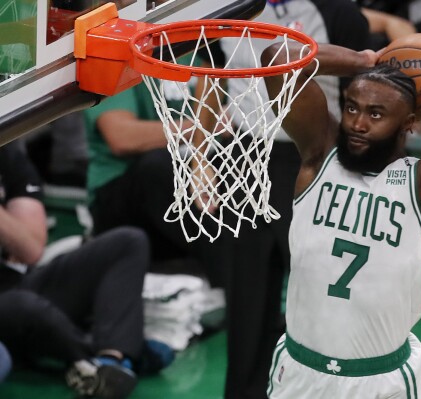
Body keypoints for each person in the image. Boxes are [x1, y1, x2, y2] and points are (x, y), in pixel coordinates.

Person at [260, 38, 421, 396]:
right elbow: (279, 58)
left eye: (376, 114)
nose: (357, 123)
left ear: (409, 122)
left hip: (379, 381)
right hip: (299, 371)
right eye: (351, 108)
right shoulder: (320, 156)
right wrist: (365, 61)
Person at [213, 1, 371, 398]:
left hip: (314, 158)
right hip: (243, 155)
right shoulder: (221, 8)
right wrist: (201, 157)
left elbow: (362, 97)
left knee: (320, 295)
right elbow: (208, 82)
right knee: (247, 299)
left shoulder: (341, 15)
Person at [0, 141, 174, 398]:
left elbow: (32, 247)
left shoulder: (6, 150)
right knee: (22, 304)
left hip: (20, 284)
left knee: (128, 242)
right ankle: (107, 352)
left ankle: (112, 359)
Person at [83, 56, 223, 284]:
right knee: (157, 167)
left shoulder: (207, 51)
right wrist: (205, 126)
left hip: (185, 189)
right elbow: (122, 137)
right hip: (121, 200)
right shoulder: (114, 54)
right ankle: (229, 271)